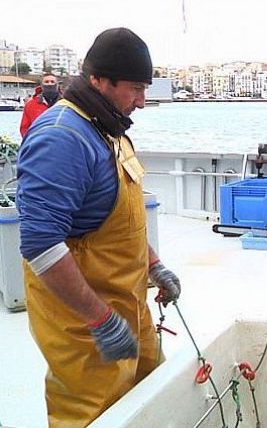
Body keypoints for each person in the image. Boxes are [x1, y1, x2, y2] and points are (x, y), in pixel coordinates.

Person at [16, 28, 181, 426]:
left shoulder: (110, 127)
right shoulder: (62, 137)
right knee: (93, 414)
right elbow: (40, 244)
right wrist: (99, 319)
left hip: (129, 306)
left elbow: (122, 218)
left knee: (149, 393)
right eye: (135, 89)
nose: (142, 101)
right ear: (99, 81)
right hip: (84, 323)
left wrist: (154, 264)